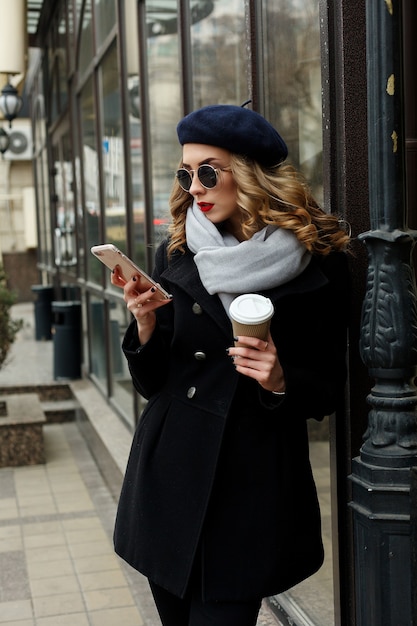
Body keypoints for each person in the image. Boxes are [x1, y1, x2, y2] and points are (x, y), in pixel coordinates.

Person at [111, 104, 350, 626]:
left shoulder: (320, 256)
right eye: (185, 173)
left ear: (249, 172)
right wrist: (146, 325)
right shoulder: (176, 251)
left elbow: (335, 384)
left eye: (207, 171)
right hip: (169, 481)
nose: (193, 186)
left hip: (251, 487)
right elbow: (154, 383)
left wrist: (281, 379)